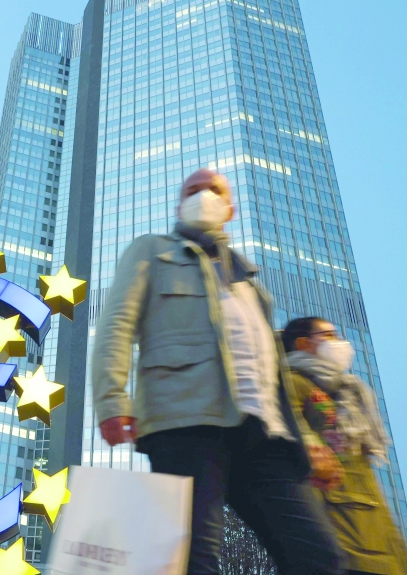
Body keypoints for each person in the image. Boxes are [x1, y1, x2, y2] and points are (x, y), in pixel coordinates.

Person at [90, 168, 343, 575]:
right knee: (196, 558)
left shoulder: (252, 283)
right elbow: (116, 324)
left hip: (266, 435)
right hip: (186, 420)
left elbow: (273, 376)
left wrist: (309, 439)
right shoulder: (152, 251)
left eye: (214, 190)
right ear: (178, 205)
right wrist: (111, 398)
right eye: (193, 190)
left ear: (230, 208)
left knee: (318, 556)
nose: (203, 195)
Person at [283, 317, 407, 575]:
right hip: (338, 528)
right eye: (329, 335)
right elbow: (294, 427)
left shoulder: (348, 391)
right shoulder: (293, 381)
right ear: (303, 343)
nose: (340, 343)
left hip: (376, 529)